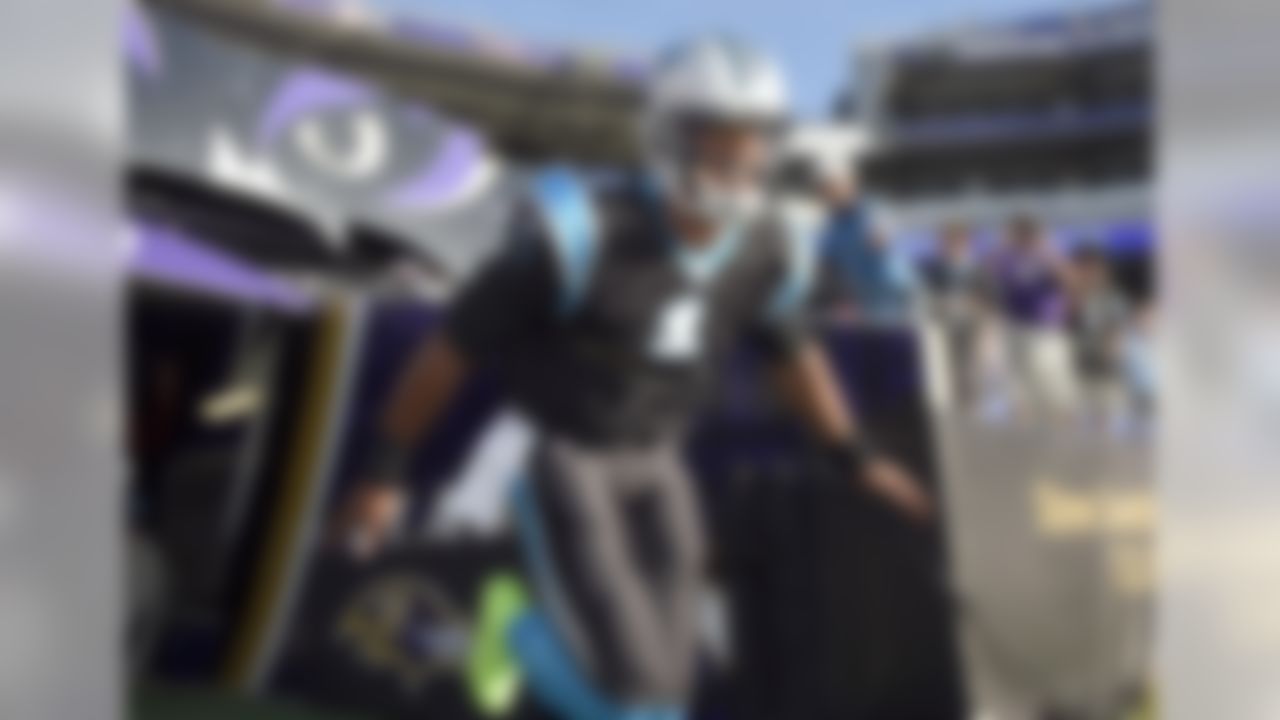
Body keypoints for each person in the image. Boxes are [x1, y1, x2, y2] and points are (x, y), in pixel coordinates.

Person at [333, 36, 931, 720]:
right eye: (719, 136)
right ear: (668, 136)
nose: (740, 157)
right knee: (637, 694)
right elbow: (452, 346)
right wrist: (383, 470)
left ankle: (517, 630)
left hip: (658, 458)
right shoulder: (584, 229)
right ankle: (512, 626)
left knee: (673, 686)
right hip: (562, 450)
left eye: (754, 138)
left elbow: (796, 357)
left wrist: (857, 459)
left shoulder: (766, 245)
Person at [816, 172, 916, 324]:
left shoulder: (873, 208)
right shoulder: (832, 227)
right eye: (829, 193)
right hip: (861, 300)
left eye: (837, 190)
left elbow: (883, 236)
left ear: (851, 188)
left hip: (892, 293)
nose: (833, 197)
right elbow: (829, 263)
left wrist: (878, 237)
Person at [920, 221, 991, 410]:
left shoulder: (978, 267)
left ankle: (973, 404)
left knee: (971, 366)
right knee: (947, 367)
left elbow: (989, 296)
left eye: (955, 240)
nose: (950, 245)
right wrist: (940, 303)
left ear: (965, 242)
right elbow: (926, 294)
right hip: (944, 322)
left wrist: (975, 306)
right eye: (946, 241)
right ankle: (955, 408)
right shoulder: (931, 268)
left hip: (972, 322)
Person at [1065, 243, 1131, 428]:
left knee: (1106, 419)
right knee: (1074, 421)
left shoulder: (1111, 298)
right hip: (1075, 368)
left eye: (1092, 269)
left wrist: (1113, 354)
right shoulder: (1067, 298)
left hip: (1104, 369)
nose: (1087, 274)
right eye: (1082, 268)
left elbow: (1117, 331)